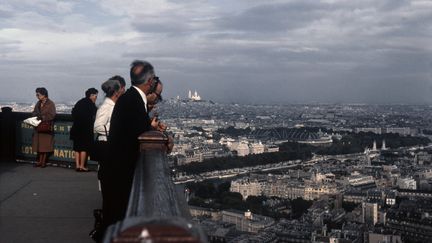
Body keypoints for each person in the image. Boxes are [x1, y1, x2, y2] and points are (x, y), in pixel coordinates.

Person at [101, 60, 163, 232]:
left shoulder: (130, 99)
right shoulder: (134, 102)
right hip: (123, 173)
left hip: (116, 170)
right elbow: (141, 135)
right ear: (150, 81)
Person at [70, 88, 98, 172]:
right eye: (95, 96)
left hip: (76, 128)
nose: (96, 97)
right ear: (91, 95)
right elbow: (95, 114)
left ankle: (77, 165)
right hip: (86, 129)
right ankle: (82, 166)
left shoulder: (80, 102)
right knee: (84, 148)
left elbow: (73, 112)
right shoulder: (91, 104)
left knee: (77, 148)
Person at [32, 87, 56, 168]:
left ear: (44, 95)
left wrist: (42, 117)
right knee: (40, 145)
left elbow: (52, 115)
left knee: (45, 145)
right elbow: (34, 112)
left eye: (38, 94)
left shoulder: (51, 104)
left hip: (46, 127)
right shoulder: (38, 103)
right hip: (38, 127)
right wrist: (35, 116)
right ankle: (39, 161)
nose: (37, 96)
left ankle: (43, 161)